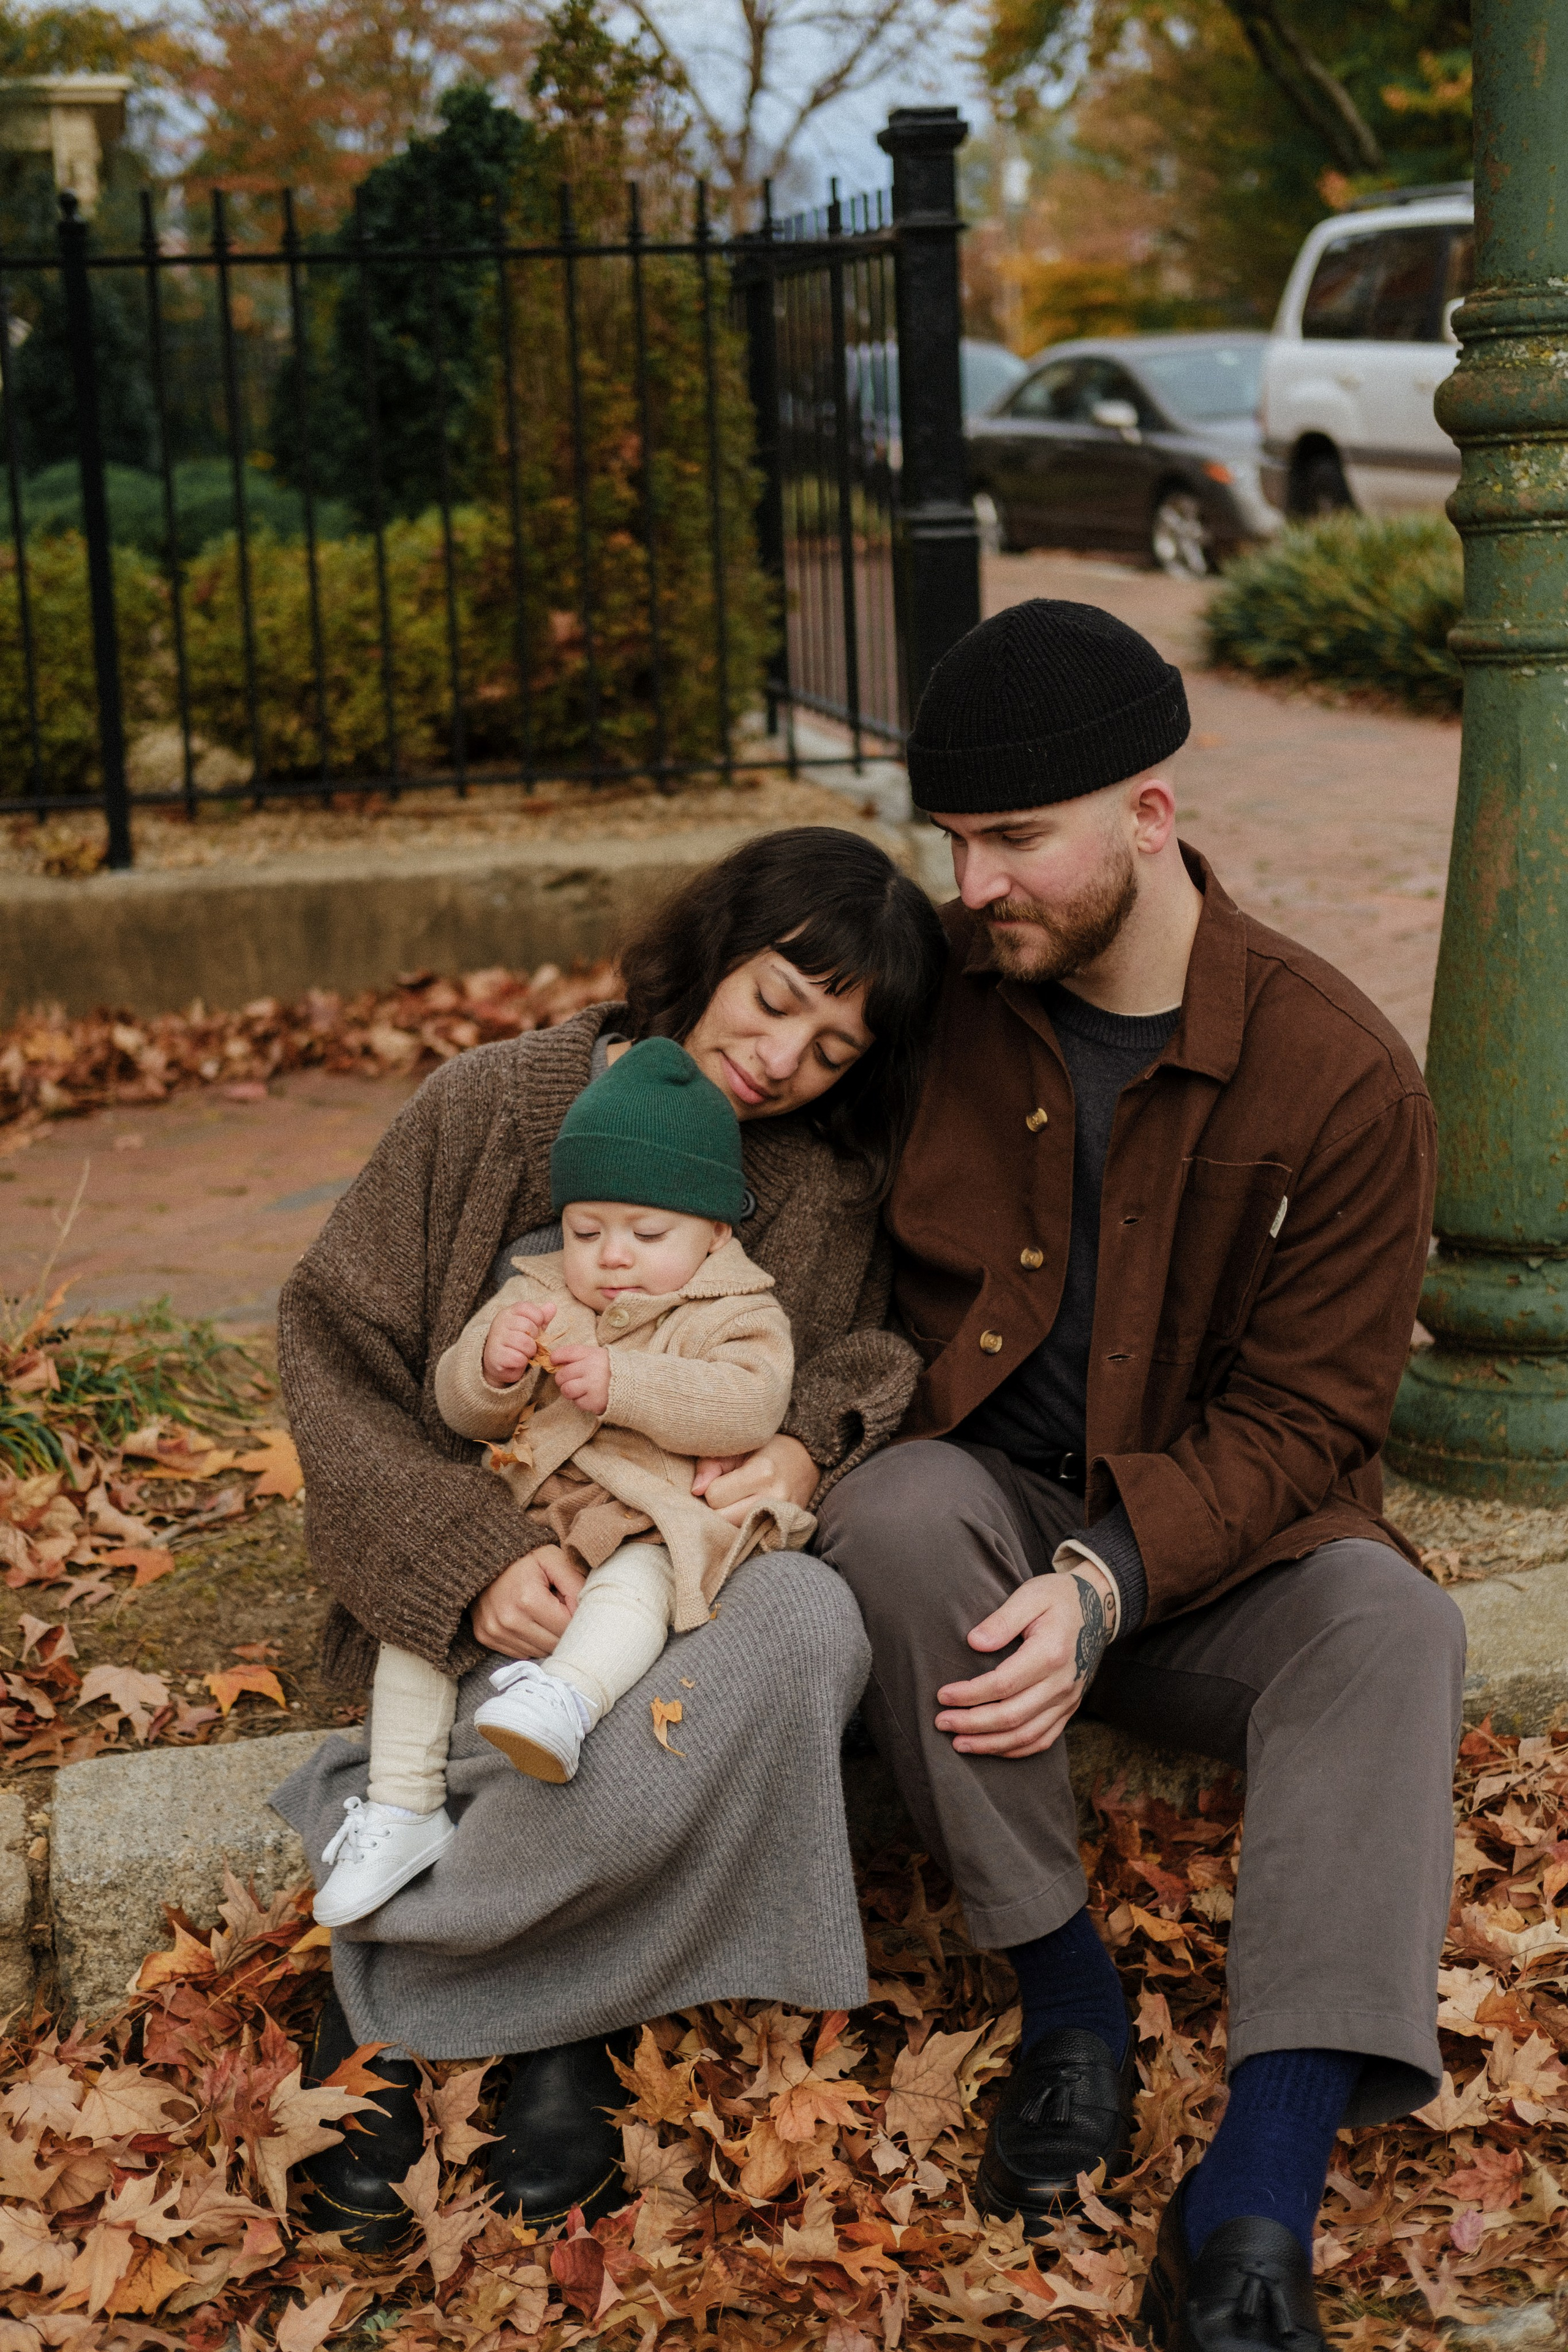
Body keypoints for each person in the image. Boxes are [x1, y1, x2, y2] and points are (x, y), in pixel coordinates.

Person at [815, 601, 1464, 2352]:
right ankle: (1071, 2012)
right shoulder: (937, 996)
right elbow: (722, 1043)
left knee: (1395, 1632)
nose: (974, 886)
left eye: (1015, 841)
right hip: (977, 1531)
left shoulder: (1339, 1074)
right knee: (891, 1510)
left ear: (1149, 818)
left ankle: (1251, 2206)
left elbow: (1311, 1419)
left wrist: (1108, 1580)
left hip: (1218, 1557)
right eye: (952, 841)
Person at [270, 826, 946, 2247]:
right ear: (714, 949)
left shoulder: (826, 1184)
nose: (782, 1060)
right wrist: (468, 1561)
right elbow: (334, 1345)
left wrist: (801, 1440)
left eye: (833, 1048)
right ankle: (542, 2016)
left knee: (808, 1625)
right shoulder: (493, 1105)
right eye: (772, 1000)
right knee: (558, 1699)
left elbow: (868, 1350)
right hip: (476, 1582)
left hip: (660, 1582)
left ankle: (432, 1979)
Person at [312, 1038, 815, 1927]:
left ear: (716, 1233)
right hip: (525, 1515)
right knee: (418, 1627)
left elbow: (748, 1404)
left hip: (645, 1512)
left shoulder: (738, 1310)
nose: (612, 1256)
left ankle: (569, 1696)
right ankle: (400, 1806)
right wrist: (490, 1369)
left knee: (640, 1583)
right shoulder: (539, 1294)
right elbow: (461, 1409)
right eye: (587, 1231)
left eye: (647, 1234)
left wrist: (628, 1383)